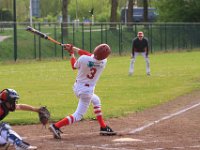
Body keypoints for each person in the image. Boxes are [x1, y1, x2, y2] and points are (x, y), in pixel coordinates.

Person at [49, 43, 117, 139]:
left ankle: (103, 127)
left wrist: (72, 53)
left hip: (78, 87)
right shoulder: (104, 62)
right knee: (78, 115)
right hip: (87, 91)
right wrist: (73, 48)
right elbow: (91, 56)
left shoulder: (83, 58)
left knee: (96, 100)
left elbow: (74, 65)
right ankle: (56, 126)